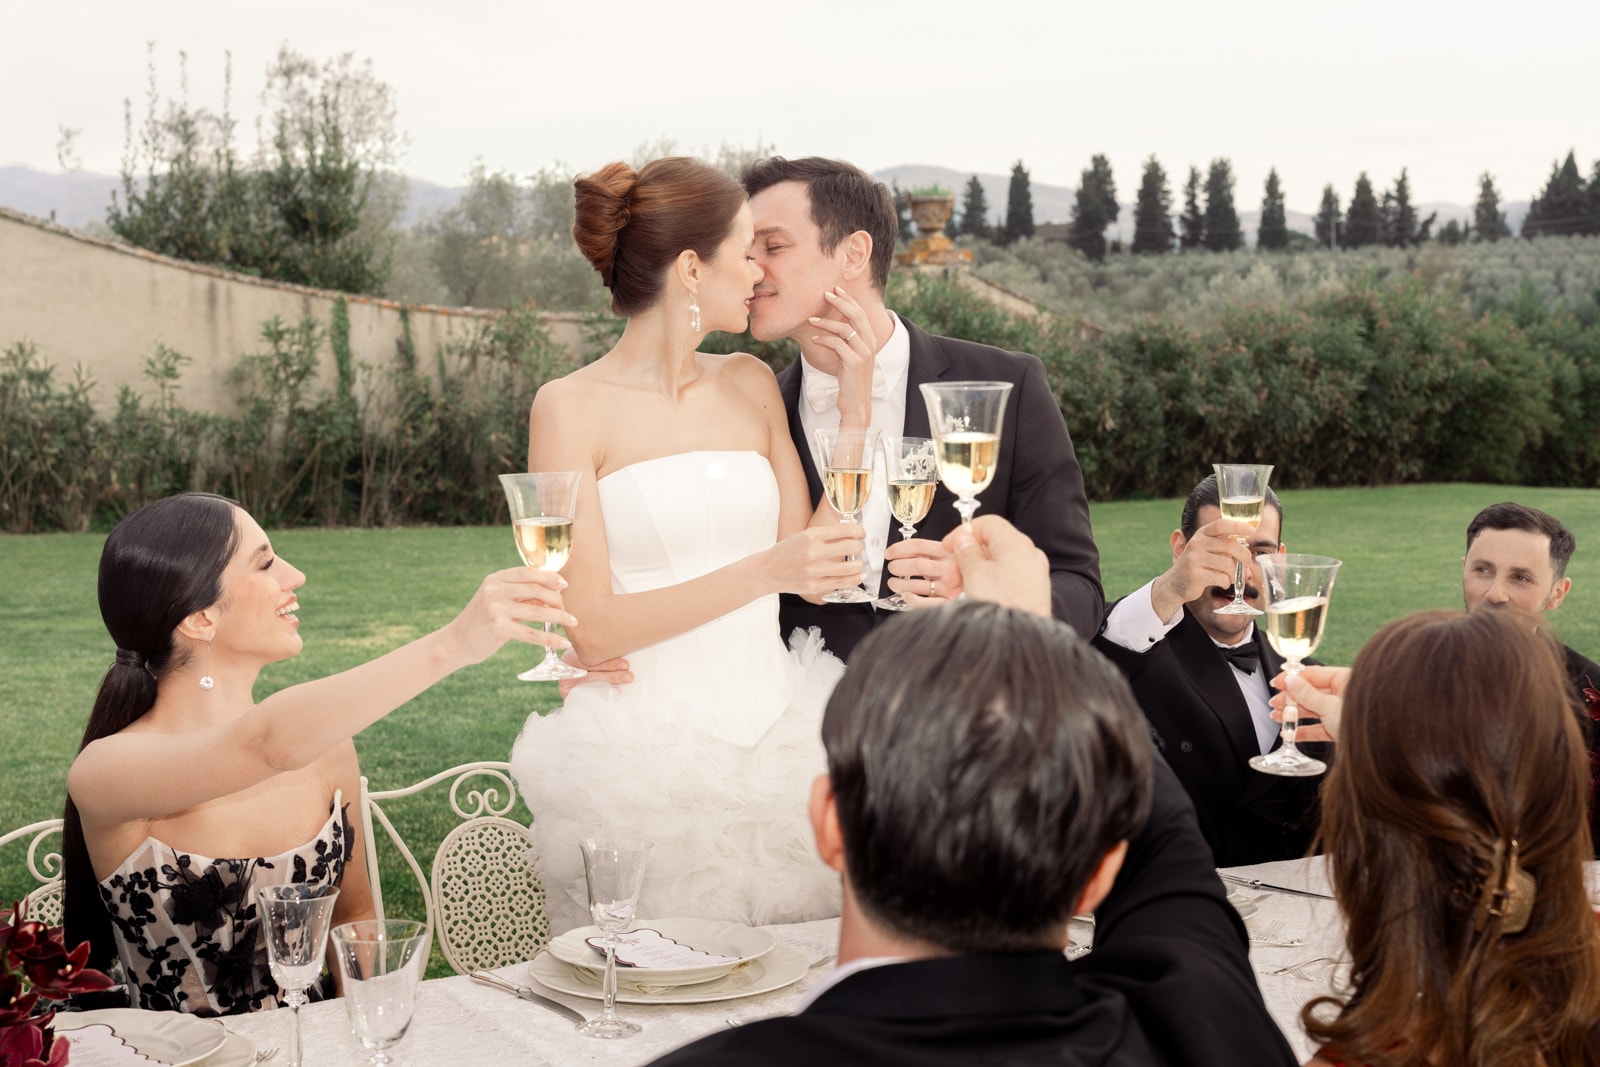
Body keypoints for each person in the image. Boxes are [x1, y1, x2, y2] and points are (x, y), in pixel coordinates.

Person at [649, 524, 1296, 1067]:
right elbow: (1172, 869)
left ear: (829, 822)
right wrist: (1032, 640)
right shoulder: (1197, 1033)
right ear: (1100, 871)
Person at [509, 157, 869, 933]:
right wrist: (765, 570)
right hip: (644, 761)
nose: (759, 270)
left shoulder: (749, 381)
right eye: (745, 250)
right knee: (661, 980)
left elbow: (817, 564)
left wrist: (857, 411)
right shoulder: (568, 407)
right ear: (691, 268)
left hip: (781, 742)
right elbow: (592, 628)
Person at [64, 492, 569, 1016]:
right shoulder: (105, 771)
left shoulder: (325, 750)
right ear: (202, 618)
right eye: (265, 563)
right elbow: (265, 745)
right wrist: (453, 644)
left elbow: (354, 918)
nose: (296, 575)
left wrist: (369, 1036)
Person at [740, 155, 1103, 661]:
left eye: (773, 246)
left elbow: (1079, 587)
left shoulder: (1007, 384)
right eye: (745, 250)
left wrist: (984, 604)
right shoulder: (752, 415)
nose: (750, 268)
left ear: (853, 253)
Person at [1299, 609, 1600, 1067]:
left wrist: (1378, 747)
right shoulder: (1584, 961)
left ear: (1362, 832)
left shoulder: (1366, 1054)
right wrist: (1383, 733)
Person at [1093, 474, 1324, 866]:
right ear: (1180, 550)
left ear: (1280, 560)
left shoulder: (1312, 678)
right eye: (1221, 549)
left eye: (1260, 552)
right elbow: (1091, 661)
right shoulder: (1138, 657)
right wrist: (1169, 590)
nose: (1239, 571)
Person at [1462, 502, 1599, 709]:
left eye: (1521, 578)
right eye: (1482, 570)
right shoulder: (1414, 669)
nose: (1496, 594)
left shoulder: (1590, 694)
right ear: (1464, 569)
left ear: (1557, 594)